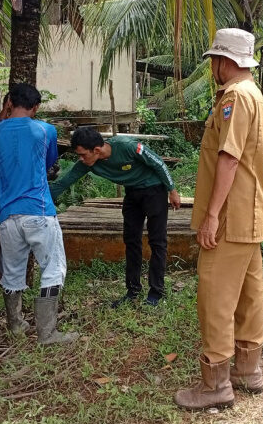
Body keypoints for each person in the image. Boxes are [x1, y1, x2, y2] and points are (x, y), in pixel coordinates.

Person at [174, 28, 263, 411]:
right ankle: (247, 370)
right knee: (250, 293)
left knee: (215, 294)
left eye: (214, 60)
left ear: (224, 61)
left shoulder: (234, 97)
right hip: (252, 213)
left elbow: (228, 159)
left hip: (232, 216)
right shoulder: (255, 95)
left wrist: (212, 215)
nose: (212, 67)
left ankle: (215, 383)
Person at [0, 83, 78, 345]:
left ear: (10, 102)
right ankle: (47, 333)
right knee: (54, 269)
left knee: (12, 272)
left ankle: (15, 325)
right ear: (36, 107)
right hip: (39, 211)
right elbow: (48, 163)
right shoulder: (45, 130)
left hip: (7, 217)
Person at [50, 127, 182, 307]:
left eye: (82, 154)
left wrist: (172, 190)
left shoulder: (127, 146)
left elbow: (158, 163)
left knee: (157, 241)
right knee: (131, 240)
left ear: (96, 150)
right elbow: (64, 182)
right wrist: (38, 200)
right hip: (132, 194)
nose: (80, 159)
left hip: (154, 191)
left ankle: (156, 292)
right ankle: (132, 290)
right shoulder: (88, 163)